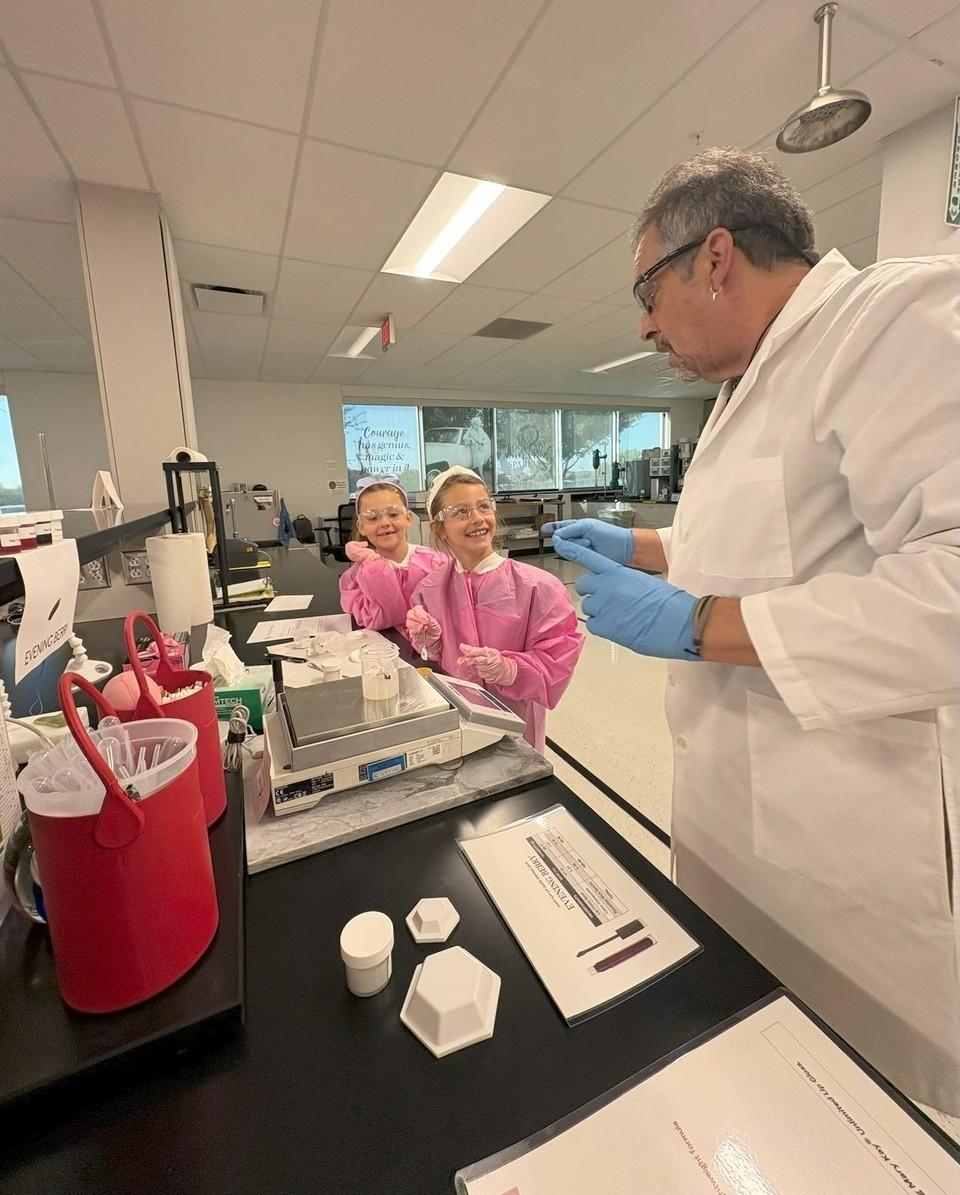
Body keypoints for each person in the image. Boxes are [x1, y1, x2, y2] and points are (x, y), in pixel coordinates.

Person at [545, 147, 960, 1118]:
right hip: (739, 822)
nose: (643, 321)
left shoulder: (888, 323)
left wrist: (695, 621)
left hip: (844, 836)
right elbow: (764, 544)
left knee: (863, 1111)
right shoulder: (748, 384)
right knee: (757, 1078)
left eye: (648, 288)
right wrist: (651, 546)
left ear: (716, 256)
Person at [406, 467, 583, 753]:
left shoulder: (538, 588)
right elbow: (434, 660)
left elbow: (557, 657)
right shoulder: (429, 588)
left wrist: (512, 669)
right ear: (438, 527)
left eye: (483, 506)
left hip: (516, 722)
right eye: (461, 511)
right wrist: (430, 642)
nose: (477, 518)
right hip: (456, 714)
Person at [338, 479, 443, 633]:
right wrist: (374, 567)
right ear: (361, 527)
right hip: (383, 651)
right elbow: (385, 618)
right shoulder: (355, 578)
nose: (385, 523)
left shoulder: (436, 564)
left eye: (393, 514)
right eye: (373, 518)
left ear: (408, 519)